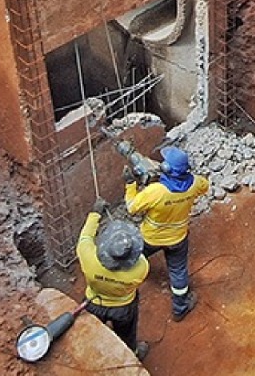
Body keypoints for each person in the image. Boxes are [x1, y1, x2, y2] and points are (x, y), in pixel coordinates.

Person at [125, 146, 210, 321]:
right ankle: (180, 308)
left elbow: (132, 208)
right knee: (178, 271)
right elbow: (205, 187)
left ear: (167, 169)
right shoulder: (195, 183)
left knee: (131, 258)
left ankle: (121, 285)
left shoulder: (155, 192)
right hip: (177, 238)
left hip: (150, 238)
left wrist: (130, 185)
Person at [77, 203, 149, 359]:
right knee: (127, 335)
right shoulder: (141, 269)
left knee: (94, 332)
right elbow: (137, 256)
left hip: (93, 303)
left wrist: (95, 213)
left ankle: (96, 356)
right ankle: (132, 354)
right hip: (123, 307)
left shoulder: (87, 257)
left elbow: (85, 236)